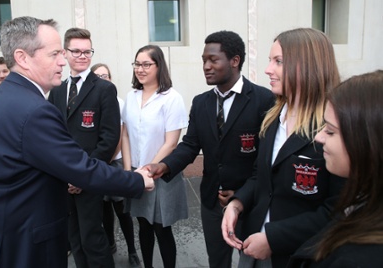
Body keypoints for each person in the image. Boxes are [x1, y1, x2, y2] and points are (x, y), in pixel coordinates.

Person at [0, 16, 154, 268]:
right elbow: (79, 167)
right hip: (18, 246)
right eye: (54, 54)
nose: (63, 61)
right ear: (22, 57)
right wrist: (137, 180)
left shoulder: (9, 96)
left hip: (0, 238)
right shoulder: (32, 109)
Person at [144, 30, 274, 268]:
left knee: (252, 262)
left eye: (213, 60)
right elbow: (191, 145)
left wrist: (242, 195)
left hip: (251, 202)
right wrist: (165, 165)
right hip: (211, 202)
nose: (206, 66)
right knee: (217, 261)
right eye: (204, 60)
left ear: (234, 61)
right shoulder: (201, 102)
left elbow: (265, 160)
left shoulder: (263, 100)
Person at [221, 28, 346, 268]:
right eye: (270, 61)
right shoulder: (272, 117)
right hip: (253, 243)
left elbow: (337, 210)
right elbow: (260, 176)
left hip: (299, 256)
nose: (268, 69)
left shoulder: (333, 129)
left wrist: (273, 238)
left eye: (278, 61)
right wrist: (237, 204)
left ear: (309, 66)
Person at [287, 70, 383, 267]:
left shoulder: (360, 258)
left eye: (330, 131)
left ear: (366, 141)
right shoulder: (362, 203)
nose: (319, 138)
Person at [48, 28, 121, 268]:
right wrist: (64, 173)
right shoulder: (56, 88)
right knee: (74, 237)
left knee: (93, 237)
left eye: (87, 51)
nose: (82, 56)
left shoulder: (104, 89)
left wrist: (83, 175)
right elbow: (53, 134)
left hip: (90, 176)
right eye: (76, 51)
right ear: (65, 53)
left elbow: (109, 139)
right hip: (62, 178)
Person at [122, 45, 188, 268]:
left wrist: (148, 169)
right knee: (143, 225)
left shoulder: (171, 98)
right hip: (136, 173)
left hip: (160, 173)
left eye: (146, 64)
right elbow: (126, 135)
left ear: (159, 66)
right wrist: (130, 170)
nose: (140, 69)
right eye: (137, 64)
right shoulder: (131, 97)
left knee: (162, 228)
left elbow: (172, 142)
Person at [91, 63, 140, 267]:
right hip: (97, 162)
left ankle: (131, 250)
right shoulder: (90, 101)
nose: (103, 79)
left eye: (106, 75)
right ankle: (110, 243)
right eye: (98, 76)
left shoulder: (118, 102)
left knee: (122, 209)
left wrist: (108, 159)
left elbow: (120, 134)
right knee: (104, 208)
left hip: (115, 161)